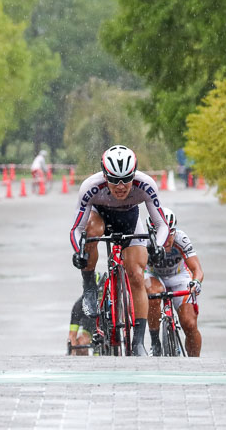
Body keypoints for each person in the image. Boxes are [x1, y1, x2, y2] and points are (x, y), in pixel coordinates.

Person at [69, 145, 169, 356]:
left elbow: (162, 226)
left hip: (129, 221)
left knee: (136, 275)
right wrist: (79, 252)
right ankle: (89, 285)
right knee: (92, 230)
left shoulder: (146, 185)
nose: (121, 186)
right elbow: (76, 230)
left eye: (127, 179)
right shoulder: (90, 186)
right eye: (114, 180)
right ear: (105, 176)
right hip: (100, 218)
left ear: (135, 175)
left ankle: (139, 342)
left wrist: (157, 246)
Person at [145, 207, 204, 357]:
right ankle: (155, 342)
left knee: (190, 324)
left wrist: (196, 282)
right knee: (154, 294)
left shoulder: (181, 239)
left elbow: (197, 269)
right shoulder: (144, 242)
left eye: (170, 232)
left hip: (179, 276)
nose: (166, 238)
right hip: (153, 275)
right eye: (160, 234)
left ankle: (195, 364)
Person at [67, 272, 105, 356]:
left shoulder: (111, 303)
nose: (96, 300)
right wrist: (72, 353)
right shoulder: (79, 305)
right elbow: (72, 336)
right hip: (89, 330)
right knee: (81, 344)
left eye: (99, 295)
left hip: (106, 330)